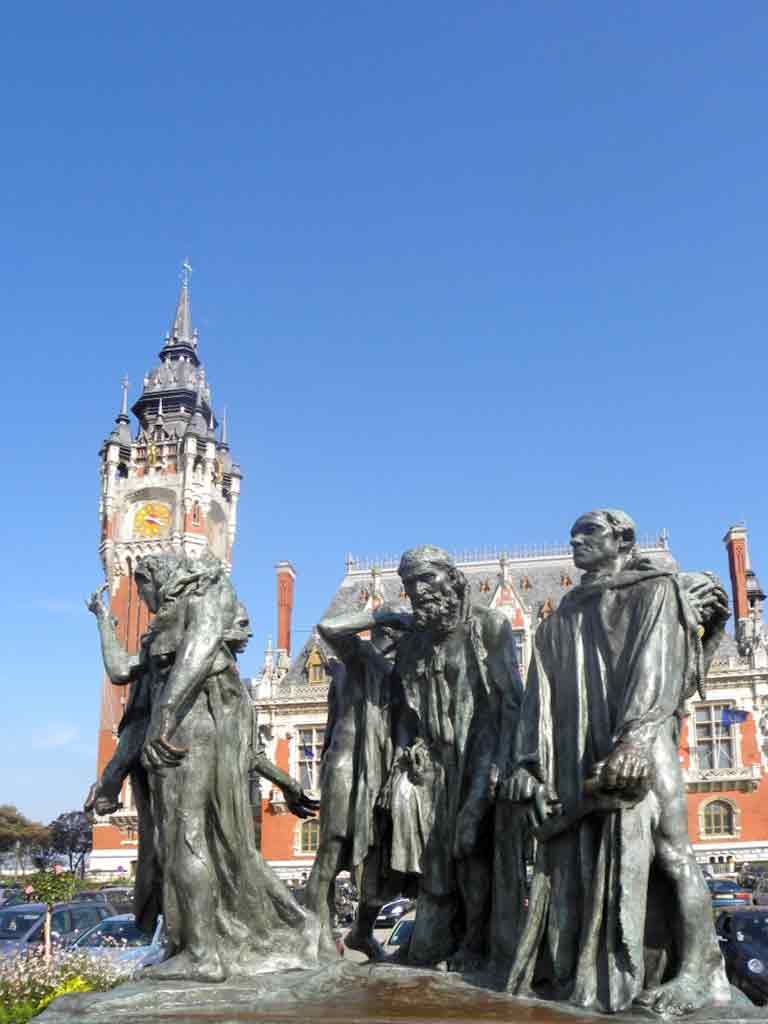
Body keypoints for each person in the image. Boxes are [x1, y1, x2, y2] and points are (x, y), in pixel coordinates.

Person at [502, 509, 732, 1015]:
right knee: (588, 863)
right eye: (574, 534)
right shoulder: (558, 622)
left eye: (590, 533)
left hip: (643, 745)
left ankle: (700, 971)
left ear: (622, 539)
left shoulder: (655, 590)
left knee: (672, 854)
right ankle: (598, 970)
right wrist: (527, 768)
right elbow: (537, 703)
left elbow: (657, 667)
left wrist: (635, 739)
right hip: (581, 759)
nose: (576, 540)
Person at [104, 551, 317, 981]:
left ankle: (201, 954)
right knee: (223, 849)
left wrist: (164, 715)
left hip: (184, 734)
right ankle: (287, 928)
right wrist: (102, 622)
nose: (142, 599)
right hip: (189, 733)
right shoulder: (172, 624)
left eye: (142, 588)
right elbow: (122, 669)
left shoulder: (204, 596)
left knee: (186, 838)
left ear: (157, 578)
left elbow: (197, 651)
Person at [384, 545, 525, 969]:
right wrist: (411, 746)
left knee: (471, 846)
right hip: (435, 771)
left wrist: (502, 768)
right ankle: (443, 941)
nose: (418, 591)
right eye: (410, 585)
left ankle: (477, 943)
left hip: (482, 756)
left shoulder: (489, 626)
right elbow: (403, 713)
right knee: (437, 866)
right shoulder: (415, 646)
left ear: (453, 578)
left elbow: (512, 703)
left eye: (426, 579)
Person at [302, 613, 410, 961]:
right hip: (347, 767)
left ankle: (361, 933)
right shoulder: (357, 657)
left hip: (383, 773)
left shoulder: (397, 671)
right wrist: (380, 613)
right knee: (332, 852)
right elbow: (328, 628)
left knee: (381, 862)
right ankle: (316, 934)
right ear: (390, 634)